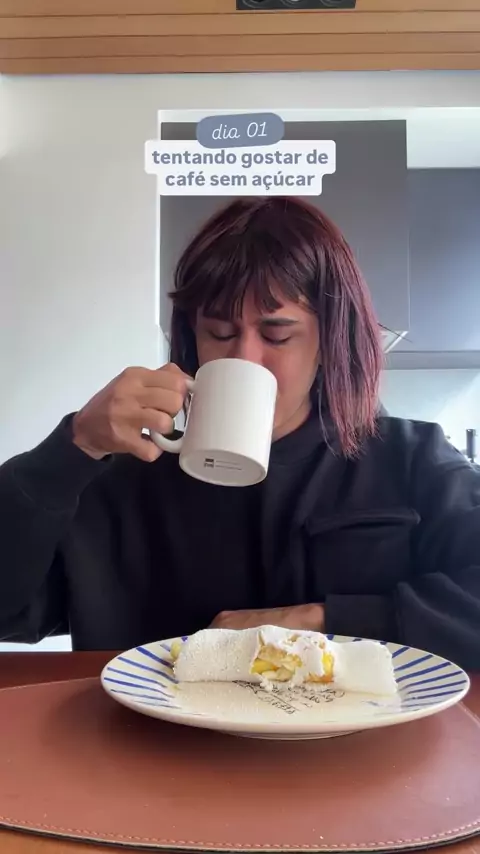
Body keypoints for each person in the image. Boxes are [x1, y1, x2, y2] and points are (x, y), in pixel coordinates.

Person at [0, 196, 479, 669]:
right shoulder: (127, 476)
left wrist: (322, 622)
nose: (245, 359)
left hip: (364, 724)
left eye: (276, 335)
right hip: (144, 724)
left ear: (329, 339)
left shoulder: (409, 461)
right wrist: (73, 448)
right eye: (220, 333)